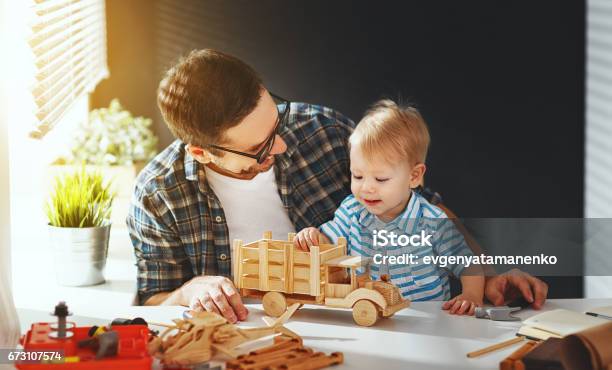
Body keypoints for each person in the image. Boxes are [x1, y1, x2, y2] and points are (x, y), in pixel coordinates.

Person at [126, 48, 548, 323]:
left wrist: (485, 275)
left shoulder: (322, 131)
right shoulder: (157, 197)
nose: (284, 144)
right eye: (260, 147)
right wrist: (188, 290)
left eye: (278, 122)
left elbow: (426, 210)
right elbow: (150, 301)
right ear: (203, 153)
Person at [294, 100, 484, 315]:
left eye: (381, 179)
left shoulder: (432, 220)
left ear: (414, 176)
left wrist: (472, 294)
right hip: (369, 315)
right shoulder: (351, 211)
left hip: (427, 323)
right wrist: (312, 236)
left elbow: (468, 263)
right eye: (357, 176)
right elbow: (328, 240)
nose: (366, 188)